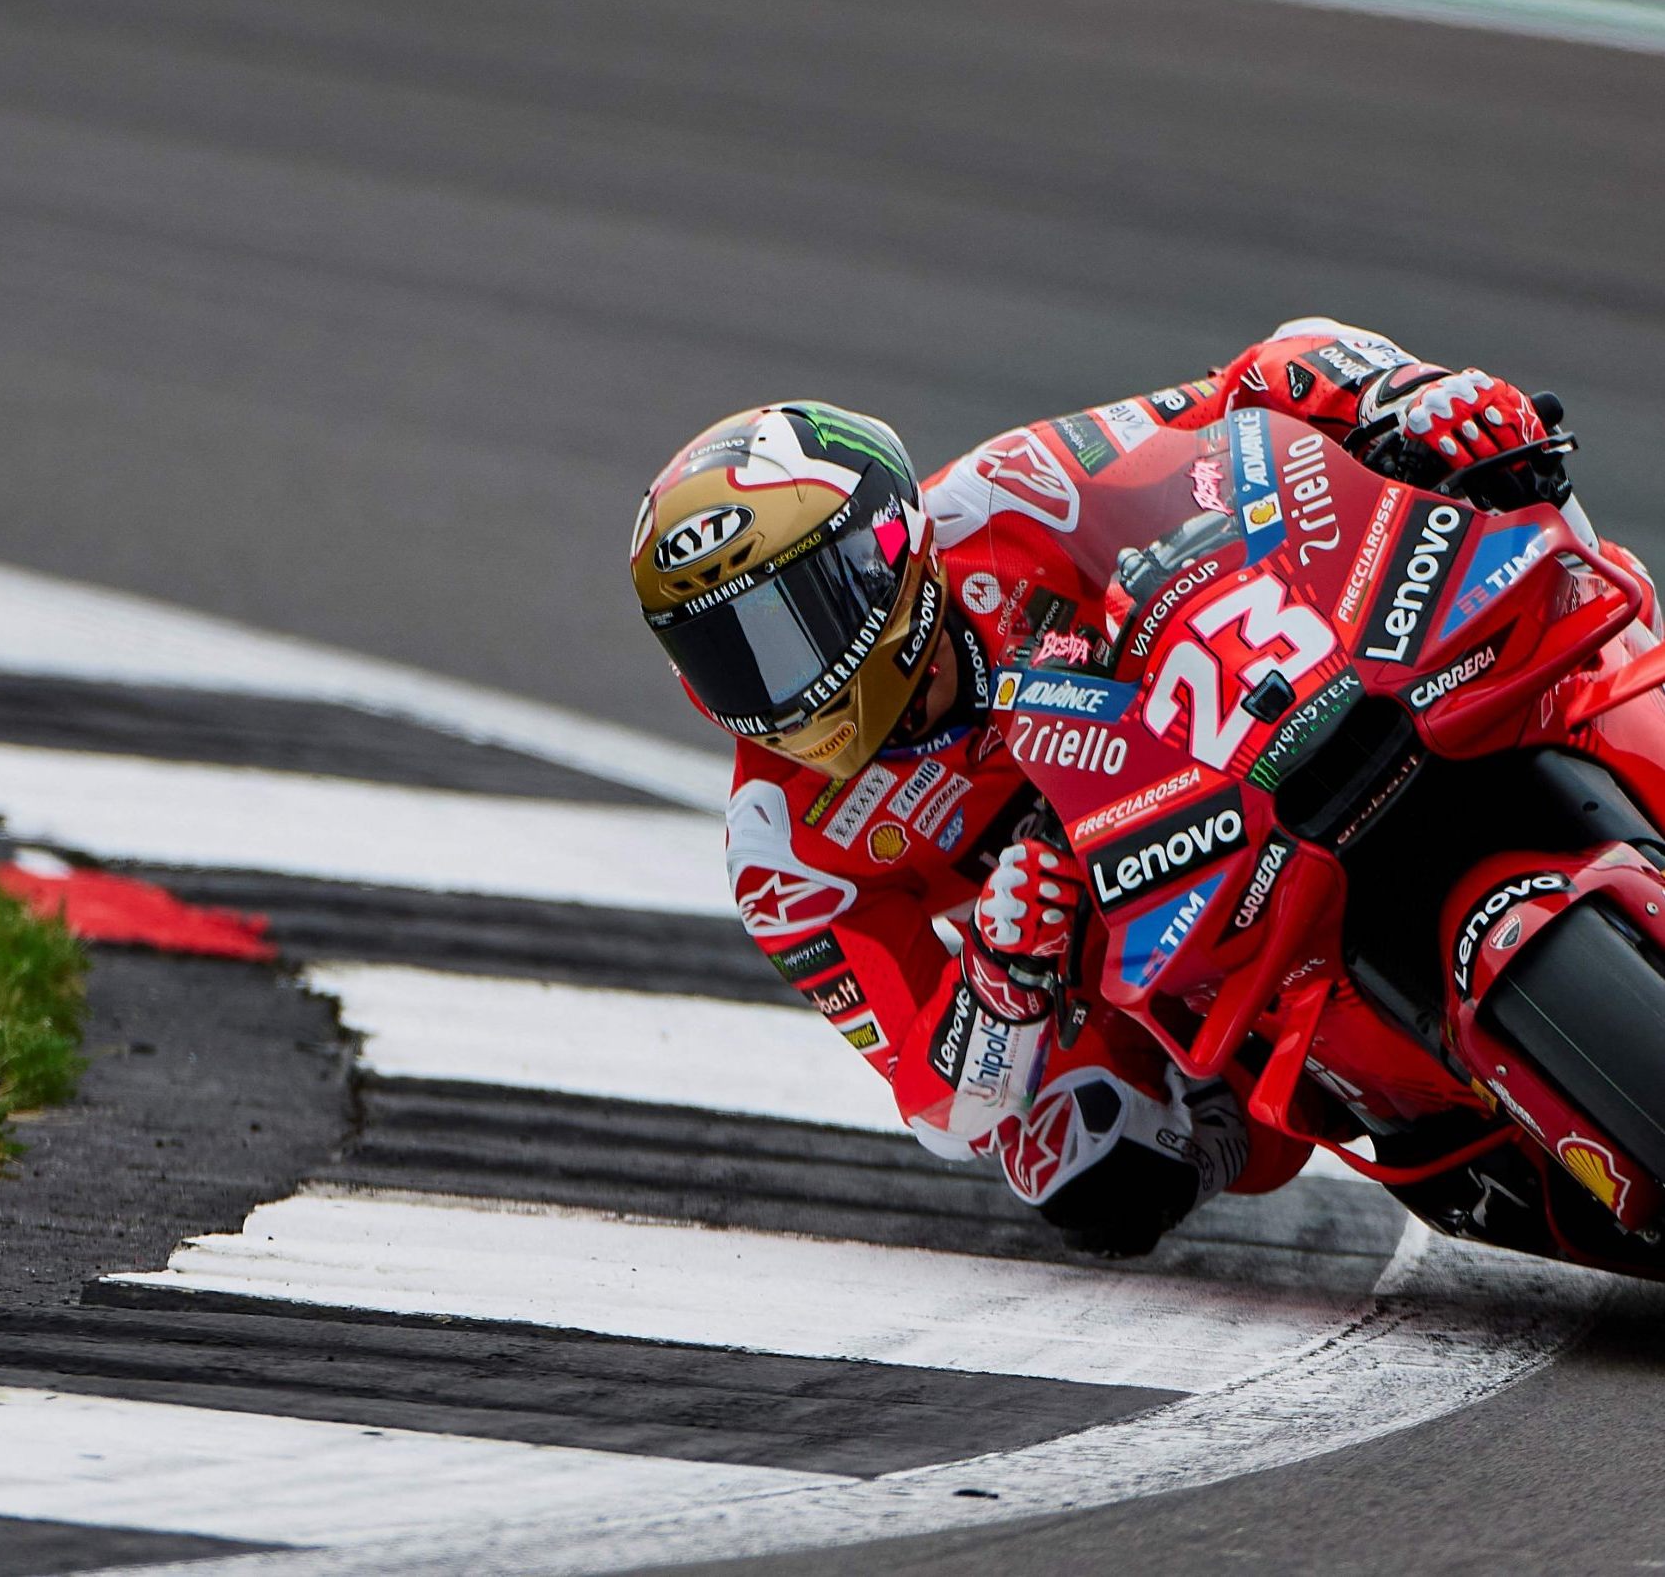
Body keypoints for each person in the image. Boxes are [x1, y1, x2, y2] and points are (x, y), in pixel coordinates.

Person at [628, 319, 1568, 1257]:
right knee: (1071, 1152)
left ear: (885, 547)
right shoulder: (780, 847)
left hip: (1260, 700)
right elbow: (939, 1108)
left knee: (1500, 494)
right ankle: (1300, 1100)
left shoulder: (1009, 490)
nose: (775, 680)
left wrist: (1398, 393)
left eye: (793, 618)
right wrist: (1000, 978)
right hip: (1137, 918)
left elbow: (1247, 383)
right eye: (726, 652)